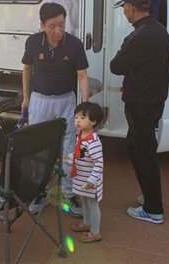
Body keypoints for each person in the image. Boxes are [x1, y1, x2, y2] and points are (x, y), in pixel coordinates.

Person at [110, 0, 169, 225]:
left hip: (141, 104)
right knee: (137, 147)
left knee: (144, 154)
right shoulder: (159, 30)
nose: (124, 11)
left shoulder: (139, 36)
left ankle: (153, 208)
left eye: (124, 7)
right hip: (154, 101)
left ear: (131, 8)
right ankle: (149, 195)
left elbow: (116, 66)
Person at [21, 2, 89, 217]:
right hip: (40, 101)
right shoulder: (33, 42)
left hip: (66, 100)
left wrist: (85, 104)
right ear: (42, 25)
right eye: (52, 26)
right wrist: (26, 97)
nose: (58, 30)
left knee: (69, 148)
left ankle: (69, 193)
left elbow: (82, 75)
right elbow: (27, 69)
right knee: (39, 147)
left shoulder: (74, 44)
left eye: (61, 24)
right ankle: (40, 191)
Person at [69, 102, 104, 243]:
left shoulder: (93, 142)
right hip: (82, 179)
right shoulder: (81, 136)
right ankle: (86, 223)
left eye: (82, 118)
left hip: (90, 182)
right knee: (84, 201)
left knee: (92, 205)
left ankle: (95, 232)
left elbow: (99, 163)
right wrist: (69, 157)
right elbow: (79, 154)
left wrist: (92, 181)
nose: (78, 121)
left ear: (93, 121)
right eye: (76, 117)